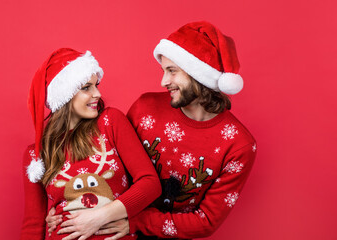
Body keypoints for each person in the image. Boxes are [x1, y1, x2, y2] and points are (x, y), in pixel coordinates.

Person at [47, 21, 257, 239]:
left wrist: (135, 221)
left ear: (199, 74)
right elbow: (104, 163)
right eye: (164, 71)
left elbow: (206, 221)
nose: (164, 81)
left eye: (172, 71)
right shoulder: (145, 108)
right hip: (109, 230)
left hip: (137, 228)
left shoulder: (239, 145)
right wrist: (62, 204)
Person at [21, 48, 161, 240]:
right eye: (87, 87)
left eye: (97, 85)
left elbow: (150, 184)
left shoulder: (110, 122)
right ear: (65, 95)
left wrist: (99, 217)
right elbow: (33, 224)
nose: (97, 94)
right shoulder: (36, 155)